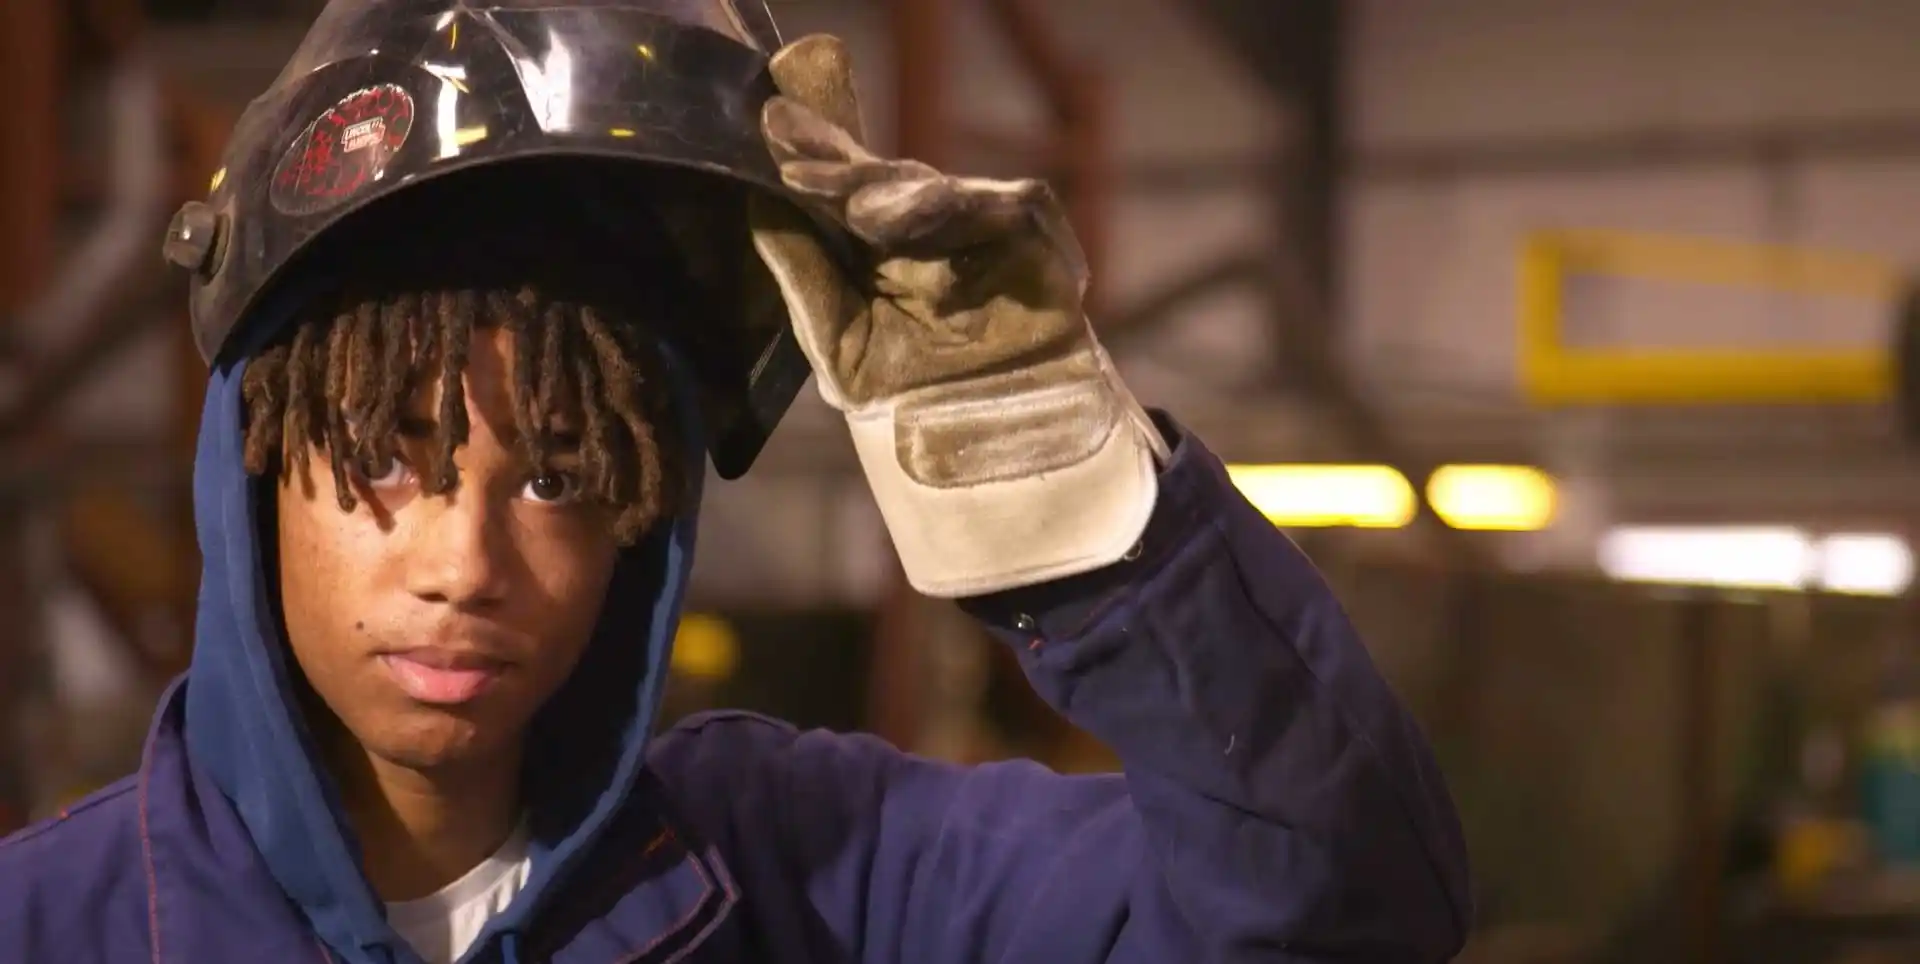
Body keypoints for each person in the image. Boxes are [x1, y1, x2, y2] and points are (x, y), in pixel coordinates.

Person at [0, 4, 1471, 962]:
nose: (463, 564)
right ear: (254, 467)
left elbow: (1343, 912)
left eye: (561, 477)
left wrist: (1088, 527)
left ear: (645, 520)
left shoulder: (823, 874)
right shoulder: (44, 928)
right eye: (386, 456)